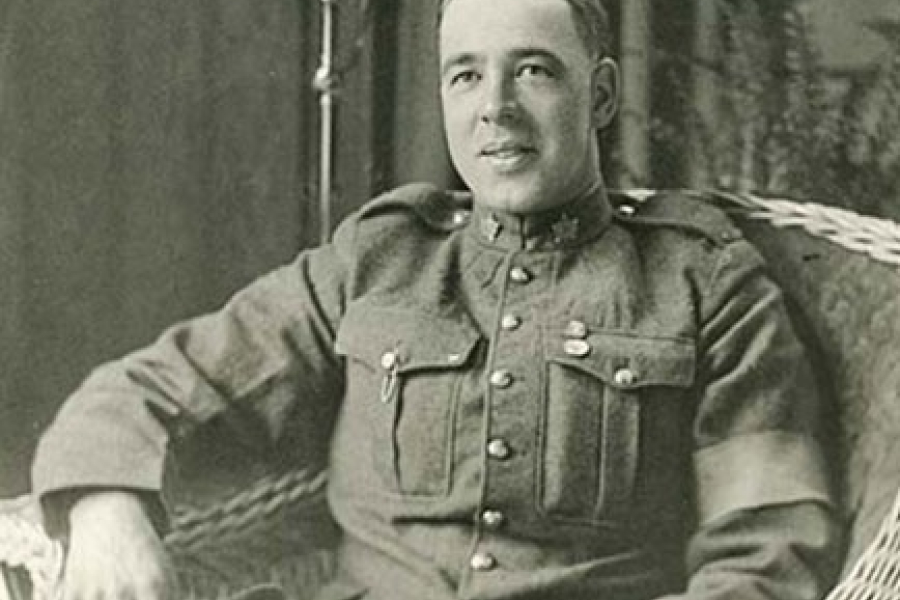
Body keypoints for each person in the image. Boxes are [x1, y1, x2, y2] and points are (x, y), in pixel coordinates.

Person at [32, 0, 843, 598]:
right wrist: (106, 509)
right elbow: (145, 391)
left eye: (531, 69)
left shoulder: (703, 279)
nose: (495, 108)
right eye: (466, 76)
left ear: (599, 97)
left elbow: (767, 550)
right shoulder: (380, 259)